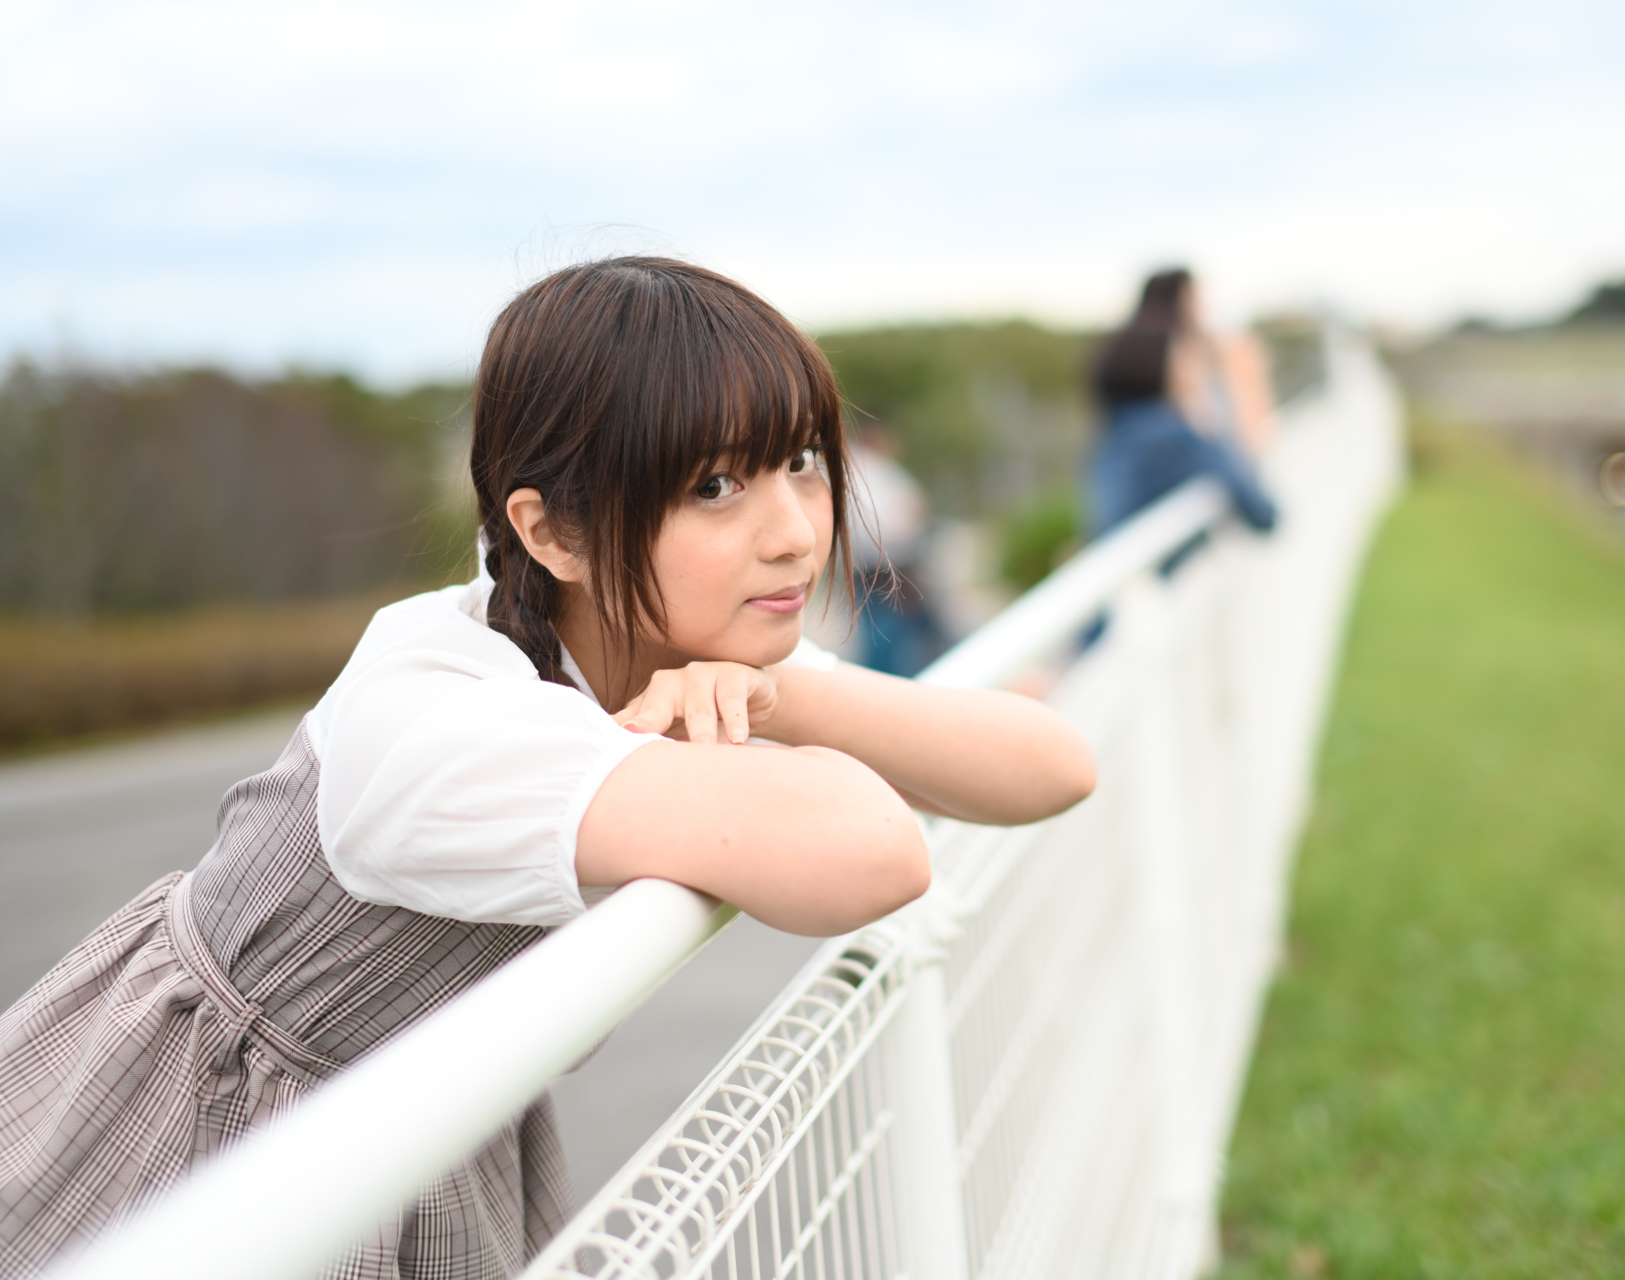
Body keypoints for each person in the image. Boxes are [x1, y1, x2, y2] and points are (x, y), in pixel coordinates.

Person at [0, 258, 1098, 1280]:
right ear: (554, 531)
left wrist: (777, 689)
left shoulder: (681, 634)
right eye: (714, 484)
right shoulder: (435, 710)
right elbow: (869, 848)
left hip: (419, 1140)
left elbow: (1052, 764)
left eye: (801, 462)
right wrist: (778, 706)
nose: (794, 534)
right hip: (201, 1147)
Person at [1086, 267, 1279, 540]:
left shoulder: (1119, 431)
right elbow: (1264, 514)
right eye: (1185, 358)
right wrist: (1248, 385)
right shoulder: (1173, 436)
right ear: (1163, 366)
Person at [846, 425, 946, 676]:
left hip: (876, 564)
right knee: (886, 634)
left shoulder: (862, 467)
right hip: (884, 565)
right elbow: (898, 514)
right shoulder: (871, 469)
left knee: (885, 634)